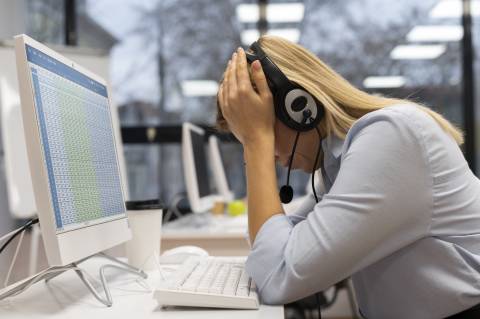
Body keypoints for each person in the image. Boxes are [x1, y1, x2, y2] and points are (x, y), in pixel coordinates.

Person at [216, 36, 480, 319]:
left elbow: (278, 275)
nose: (272, 156)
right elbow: (271, 247)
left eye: (263, 130)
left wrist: (257, 144)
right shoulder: (339, 161)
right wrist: (255, 141)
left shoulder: (392, 137)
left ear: (298, 106)